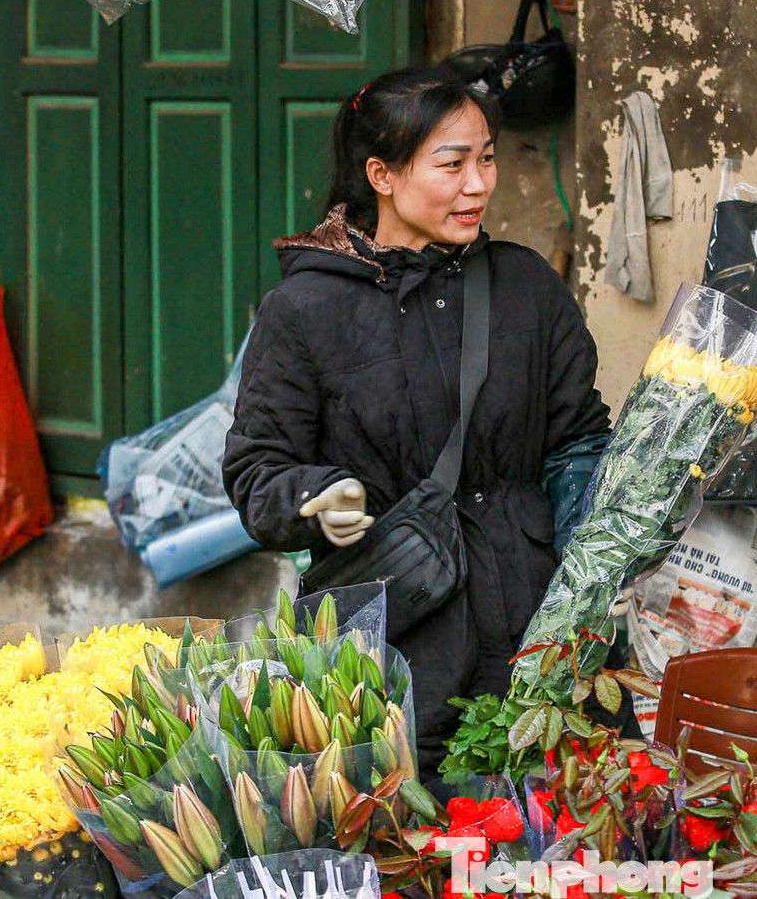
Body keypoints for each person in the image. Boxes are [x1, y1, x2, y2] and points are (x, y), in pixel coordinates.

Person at [223, 66, 611, 775]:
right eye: (452, 163)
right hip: (397, 658)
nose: (478, 184)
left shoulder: (526, 287)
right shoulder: (307, 310)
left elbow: (578, 438)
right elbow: (258, 470)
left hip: (538, 647)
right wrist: (319, 497)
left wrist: (601, 560)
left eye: (486, 157)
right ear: (382, 174)